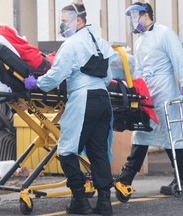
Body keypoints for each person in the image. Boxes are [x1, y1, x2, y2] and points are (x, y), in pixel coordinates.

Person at [24, 3, 116, 215]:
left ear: (78, 20)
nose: (61, 24)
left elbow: (57, 75)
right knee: (98, 151)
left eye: (64, 20)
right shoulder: (101, 43)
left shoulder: (71, 44)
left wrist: (36, 83)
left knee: (66, 150)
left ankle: (79, 199)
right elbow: (109, 77)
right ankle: (104, 203)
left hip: (84, 99)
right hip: (103, 99)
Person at [115, 2, 183, 196]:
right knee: (142, 132)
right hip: (148, 92)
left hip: (166, 90)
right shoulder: (140, 40)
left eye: (135, 16)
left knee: (171, 136)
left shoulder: (165, 33)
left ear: (145, 15)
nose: (133, 21)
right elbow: (140, 69)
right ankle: (126, 178)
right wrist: (136, 89)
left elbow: (179, 60)